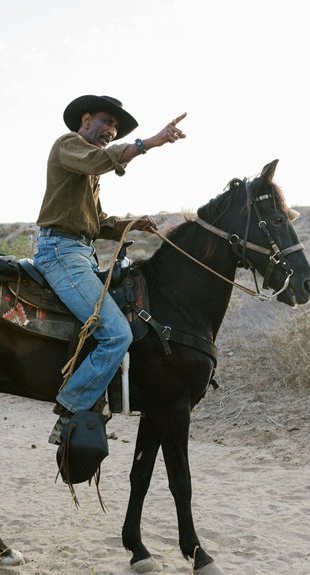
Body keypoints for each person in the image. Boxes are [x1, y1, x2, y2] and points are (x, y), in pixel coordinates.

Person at [33, 94, 187, 444]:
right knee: (117, 333)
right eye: (107, 122)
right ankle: (71, 410)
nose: (111, 131)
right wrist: (151, 142)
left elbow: (98, 222)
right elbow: (104, 160)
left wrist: (129, 225)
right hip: (61, 252)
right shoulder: (68, 145)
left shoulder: (88, 168)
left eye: (116, 128)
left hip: (81, 253)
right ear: (86, 119)